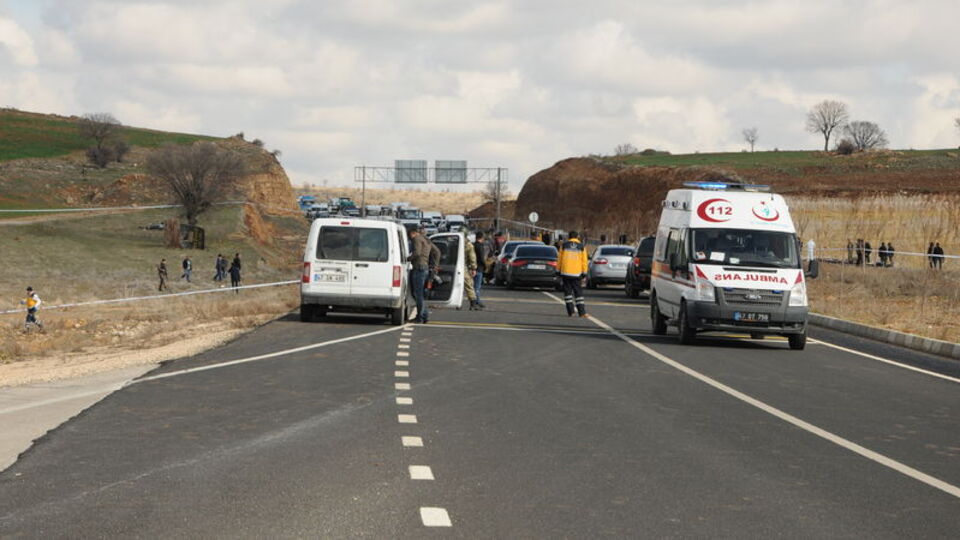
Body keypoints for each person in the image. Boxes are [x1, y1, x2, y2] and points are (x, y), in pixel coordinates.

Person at [409, 226, 440, 323]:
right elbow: (437, 252)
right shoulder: (426, 240)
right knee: (419, 293)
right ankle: (424, 315)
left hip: (418, 267)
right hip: (425, 267)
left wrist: (408, 258)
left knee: (418, 294)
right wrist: (435, 265)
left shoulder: (416, 239)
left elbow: (417, 253)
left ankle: (421, 317)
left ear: (412, 233)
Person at [557, 230, 589, 317]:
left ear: (569, 237)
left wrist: (558, 270)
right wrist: (584, 272)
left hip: (565, 272)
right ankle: (582, 312)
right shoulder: (581, 246)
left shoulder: (564, 245)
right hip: (576, 273)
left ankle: (571, 311)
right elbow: (584, 261)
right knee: (578, 293)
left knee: (567, 293)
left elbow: (559, 259)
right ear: (577, 237)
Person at [463, 232, 479, 310]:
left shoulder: (454, 241)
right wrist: (473, 268)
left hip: (453, 266)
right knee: (469, 285)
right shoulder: (468, 245)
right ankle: (473, 303)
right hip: (463, 267)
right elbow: (472, 257)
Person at [473, 231, 490, 307]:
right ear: (482, 238)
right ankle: (477, 301)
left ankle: (475, 300)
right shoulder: (480, 246)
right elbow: (481, 258)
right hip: (479, 268)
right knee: (477, 286)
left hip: (473, 268)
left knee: (474, 286)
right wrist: (486, 266)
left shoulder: (473, 245)